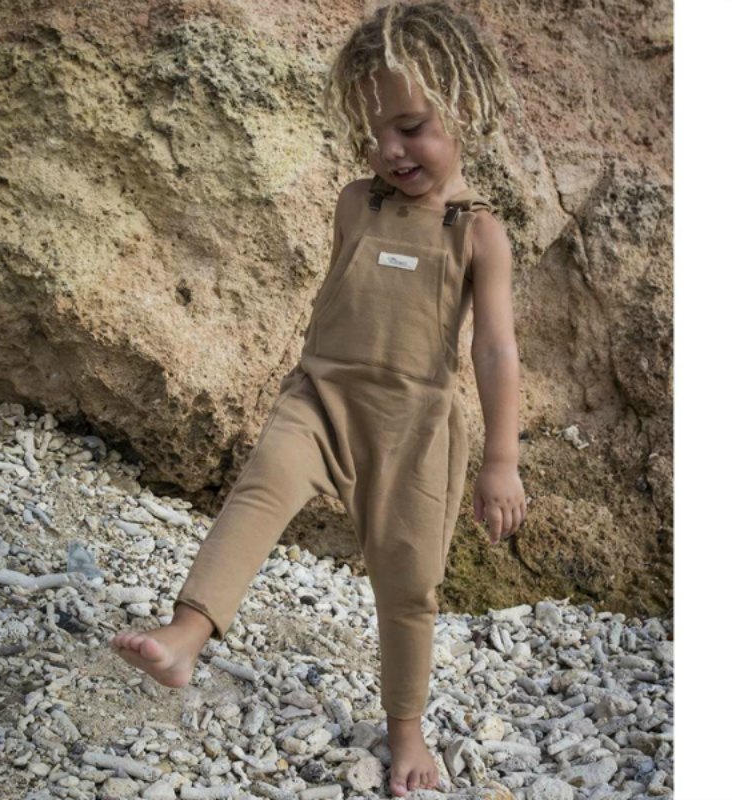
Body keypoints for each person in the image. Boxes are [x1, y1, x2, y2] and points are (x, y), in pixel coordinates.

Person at [112, 1, 526, 795]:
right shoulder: (353, 202)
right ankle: (187, 635)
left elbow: (495, 348)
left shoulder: (476, 234)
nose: (389, 150)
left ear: (464, 107)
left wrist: (501, 460)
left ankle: (405, 729)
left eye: (410, 127)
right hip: (322, 398)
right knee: (260, 488)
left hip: (414, 427)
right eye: (372, 134)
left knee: (408, 584)